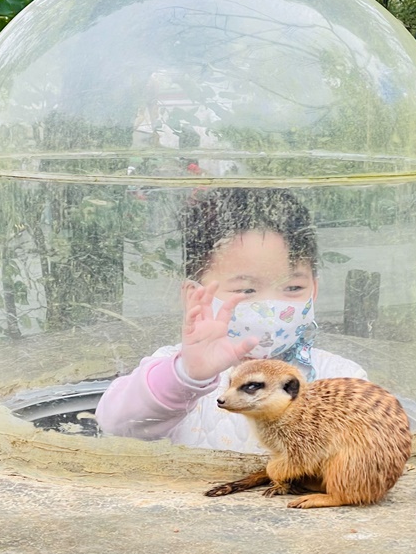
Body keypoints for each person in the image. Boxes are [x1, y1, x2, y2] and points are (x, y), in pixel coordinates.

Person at [94, 188, 367, 453]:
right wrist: (187, 376)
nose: (272, 308)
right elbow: (115, 424)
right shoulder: (180, 369)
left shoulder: (340, 376)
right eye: (246, 290)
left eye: (293, 288)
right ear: (196, 297)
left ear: (314, 291)